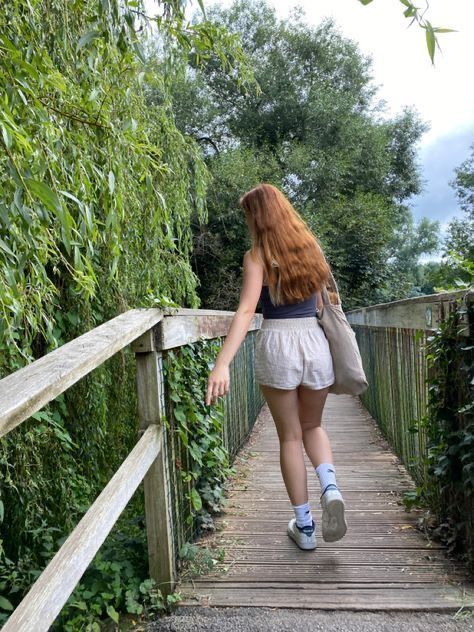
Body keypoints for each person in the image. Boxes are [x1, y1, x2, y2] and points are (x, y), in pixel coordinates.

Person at [205, 183, 347, 551]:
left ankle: (306, 528)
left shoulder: (256, 256)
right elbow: (322, 304)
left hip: (278, 344)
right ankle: (330, 487)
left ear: (257, 217)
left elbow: (247, 310)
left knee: (290, 437)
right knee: (313, 425)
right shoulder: (311, 248)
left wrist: (222, 364)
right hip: (315, 344)